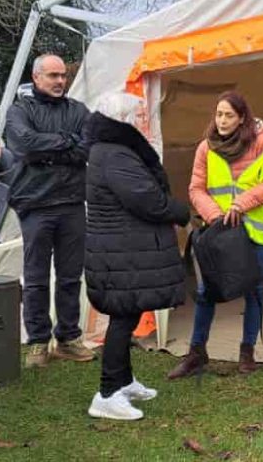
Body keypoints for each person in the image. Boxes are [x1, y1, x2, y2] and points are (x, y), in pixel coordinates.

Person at [83, 92, 190, 420]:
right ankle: (107, 394)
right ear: (121, 118)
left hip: (121, 249)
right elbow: (146, 199)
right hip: (119, 251)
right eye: (137, 115)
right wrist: (179, 210)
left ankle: (124, 381)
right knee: (123, 318)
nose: (142, 120)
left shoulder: (112, 149)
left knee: (126, 314)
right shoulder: (115, 154)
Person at [168, 92, 263, 380]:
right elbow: (196, 189)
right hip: (221, 231)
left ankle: (247, 351)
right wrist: (214, 216)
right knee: (206, 290)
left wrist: (241, 204)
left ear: (242, 117)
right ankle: (197, 352)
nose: (222, 120)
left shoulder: (260, 143)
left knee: (253, 290)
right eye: (219, 114)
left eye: (228, 115)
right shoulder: (205, 148)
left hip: (256, 229)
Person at [5, 54, 94, 367]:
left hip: (71, 203)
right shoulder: (20, 110)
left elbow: (88, 146)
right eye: (53, 76)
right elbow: (25, 146)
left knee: (71, 277)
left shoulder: (79, 111)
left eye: (63, 76)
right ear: (36, 77)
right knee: (36, 278)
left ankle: (68, 338)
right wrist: (66, 145)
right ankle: (39, 342)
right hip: (35, 204)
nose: (59, 81)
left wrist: (48, 150)